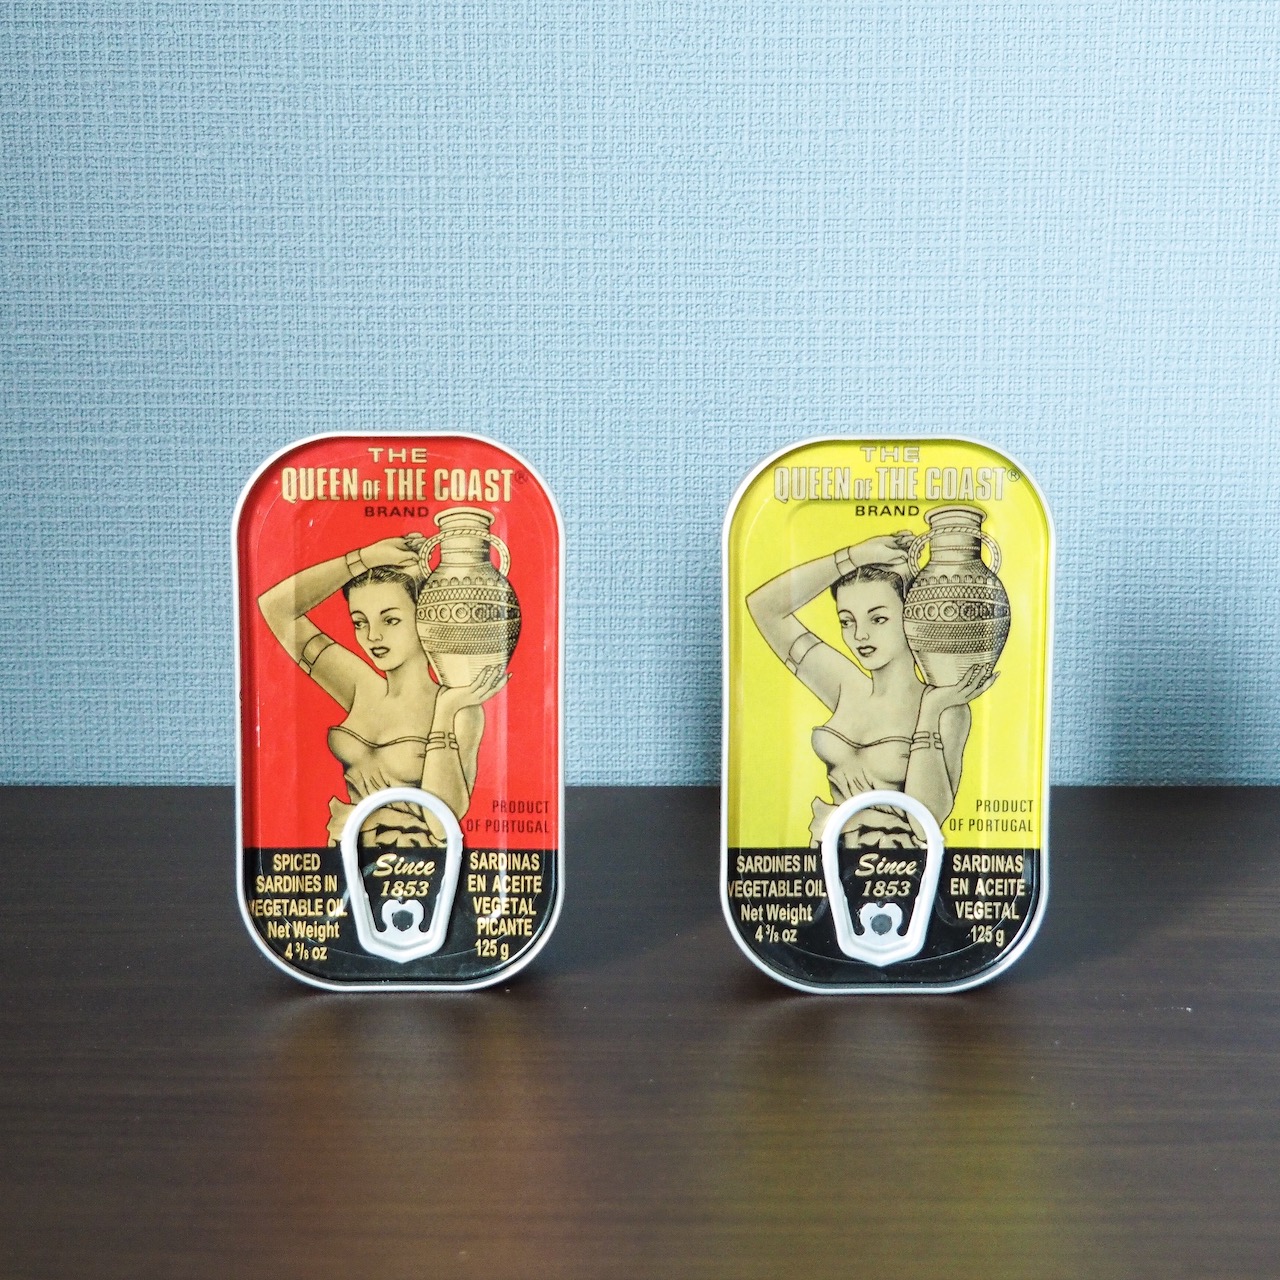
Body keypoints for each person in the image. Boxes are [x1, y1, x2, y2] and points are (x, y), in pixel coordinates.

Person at [746, 532, 995, 851]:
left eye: (878, 619)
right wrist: (851, 557)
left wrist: (930, 712)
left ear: (912, 617)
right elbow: (764, 608)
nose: (860, 635)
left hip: (904, 865)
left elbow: (926, 821)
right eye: (846, 621)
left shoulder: (947, 708)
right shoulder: (844, 683)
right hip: (829, 855)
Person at [257, 536, 509, 848]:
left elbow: (441, 823)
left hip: (425, 864)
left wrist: (443, 713)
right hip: (348, 854)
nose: (373, 636)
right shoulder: (358, 684)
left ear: (425, 617)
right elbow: (276, 608)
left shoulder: (460, 708)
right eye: (359, 622)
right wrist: (362, 558)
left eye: (390, 620)